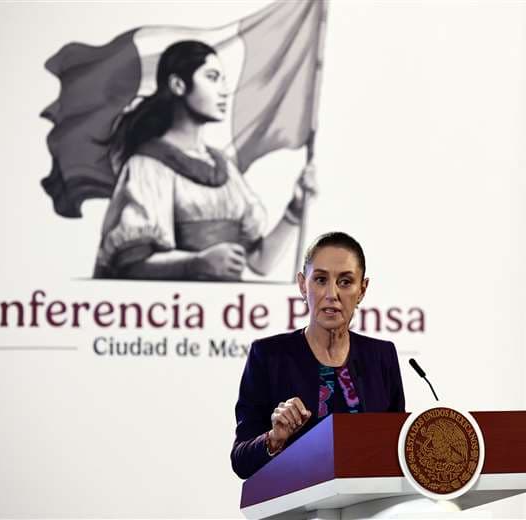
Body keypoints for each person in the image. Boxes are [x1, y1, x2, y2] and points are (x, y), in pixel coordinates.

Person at [93, 40, 315, 280]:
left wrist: (295, 211)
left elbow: (260, 263)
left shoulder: (224, 168)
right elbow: (131, 266)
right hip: (174, 311)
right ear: (178, 85)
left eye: (222, 79)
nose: (223, 90)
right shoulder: (147, 165)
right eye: (212, 77)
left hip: (228, 311)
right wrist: (196, 263)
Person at [231, 232, 406, 479]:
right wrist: (274, 438)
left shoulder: (381, 356)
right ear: (303, 285)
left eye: (345, 282)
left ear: (363, 289)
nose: (331, 294)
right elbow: (241, 461)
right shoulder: (268, 356)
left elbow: (396, 450)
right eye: (321, 280)